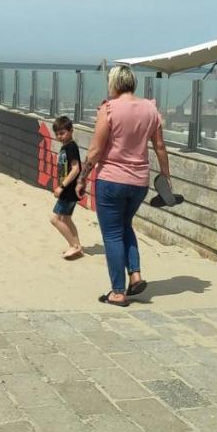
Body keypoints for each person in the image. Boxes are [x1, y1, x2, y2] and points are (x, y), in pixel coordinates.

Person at [76, 65, 170, 307]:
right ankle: (135, 275)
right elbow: (160, 146)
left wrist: (82, 177)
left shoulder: (108, 109)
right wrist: (166, 177)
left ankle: (118, 292)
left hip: (111, 179)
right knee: (125, 225)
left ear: (114, 83)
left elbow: (96, 150)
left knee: (112, 235)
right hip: (139, 182)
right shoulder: (151, 108)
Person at [50, 116, 84, 261]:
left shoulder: (71, 147)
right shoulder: (66, 147)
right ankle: (77, 245)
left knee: (55, 219)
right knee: (67, 219)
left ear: (71, 131)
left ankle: (74, 246)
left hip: (69, 190)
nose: (60, 136)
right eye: (57, 134)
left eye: (62, 133)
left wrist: (62, 187)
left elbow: (76, 169)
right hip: (67, 189)